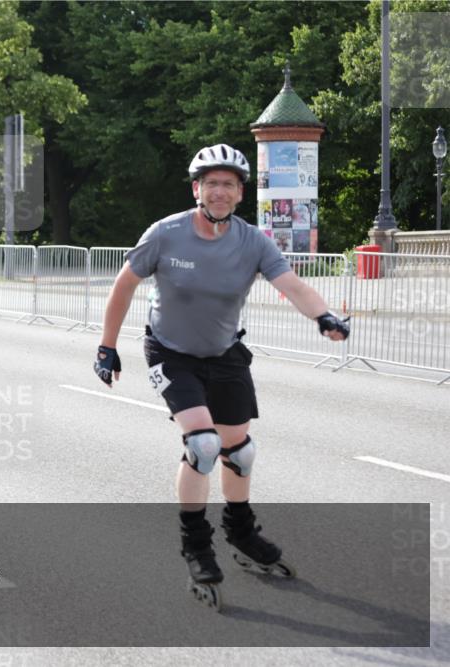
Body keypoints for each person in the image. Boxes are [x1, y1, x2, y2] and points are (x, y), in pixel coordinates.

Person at [93, 144, 349, 610]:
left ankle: (242, 530)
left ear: (239, 194)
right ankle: (195, 543)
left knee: (240, 451)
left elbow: (290, 284)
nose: (219, 191)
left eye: (229, 184)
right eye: (211, 183)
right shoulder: (165, 234)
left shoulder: (252, 241)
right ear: (197, 189)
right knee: (203, 445)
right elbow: (124, 284)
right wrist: (107, 347)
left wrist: (324, 316)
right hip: (170, 352)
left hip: (225, 352)